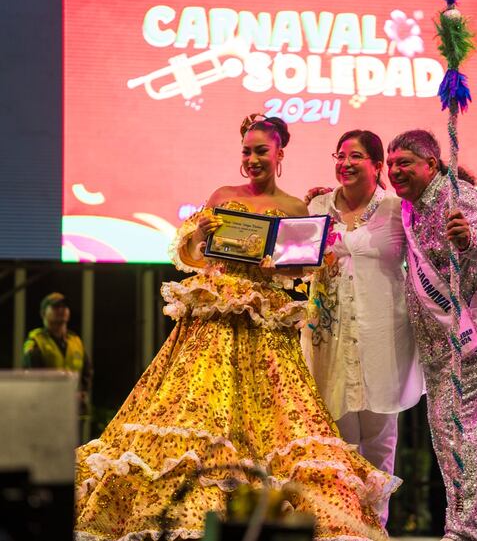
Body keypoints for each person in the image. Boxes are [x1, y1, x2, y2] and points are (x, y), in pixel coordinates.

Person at [74, 115, 397, 541]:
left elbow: (298, 270)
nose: (252, 159)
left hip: (266, 325)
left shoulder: (294, 208)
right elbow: (193, 254)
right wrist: (201, 235)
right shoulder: (222, 196)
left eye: (261, 151)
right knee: (200, 415)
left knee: (278, 423)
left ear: (280, 153)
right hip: (215, 322)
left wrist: (285, 264)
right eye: (247, 151)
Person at [385, 129, 477, 541]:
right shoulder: (409, 210)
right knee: (448, 433)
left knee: (465, 429)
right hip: (441, 343)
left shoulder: (456, 195)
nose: (395, 171)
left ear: (431, 164)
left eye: (404, 163)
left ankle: (465, 530)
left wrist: (469, 239)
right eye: (390, 164)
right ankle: (468, 526)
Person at [302, 130, 424, 526]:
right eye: (340, 155)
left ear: (377, 165)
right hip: (329, 341)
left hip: (383, 339)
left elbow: (427, 260)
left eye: (356, 156)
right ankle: (339, 528)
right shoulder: (317, 207)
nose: (346, 163)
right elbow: (296, 261)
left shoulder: (398, 208)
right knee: (336, 443)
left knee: (379, 443)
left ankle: (374, 529)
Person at [23, 292, 93, 433]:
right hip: (48, 414)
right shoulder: (36, 341)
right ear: (43, 313)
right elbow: (34, 377)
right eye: (55, 307)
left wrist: (82, 392)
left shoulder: (75, 341)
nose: (61, 310)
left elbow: (87, 371)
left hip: (74, 413)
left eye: (64, 306)